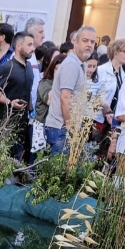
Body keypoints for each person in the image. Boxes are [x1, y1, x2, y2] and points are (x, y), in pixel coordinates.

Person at [44, 24, 96, 154]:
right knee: (57, 171)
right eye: (85, 40)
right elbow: (65, 97)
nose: (89, 44)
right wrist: (69, 125)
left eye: (92, 41)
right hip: (61, 129)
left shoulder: (80, 64)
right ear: (75, 41)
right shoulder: (71, 65)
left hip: (64, 128)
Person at [0, 31, 35, 159]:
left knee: (18, 158)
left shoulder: (29, 67)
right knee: (1, 159)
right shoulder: (7, 67)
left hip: (23, 122)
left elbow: (27, 90)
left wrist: (31, 110)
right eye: (29, 45)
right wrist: (10, 102)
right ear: (18, 46)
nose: (33, 48)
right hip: (5, 122)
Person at [94, 39, 125, 153]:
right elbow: (94, 93)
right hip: (98, 118)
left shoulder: (122, 74)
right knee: (93, 148)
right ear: (116, 52)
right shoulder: (101, 70)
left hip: (112, 120)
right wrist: (105, 107)